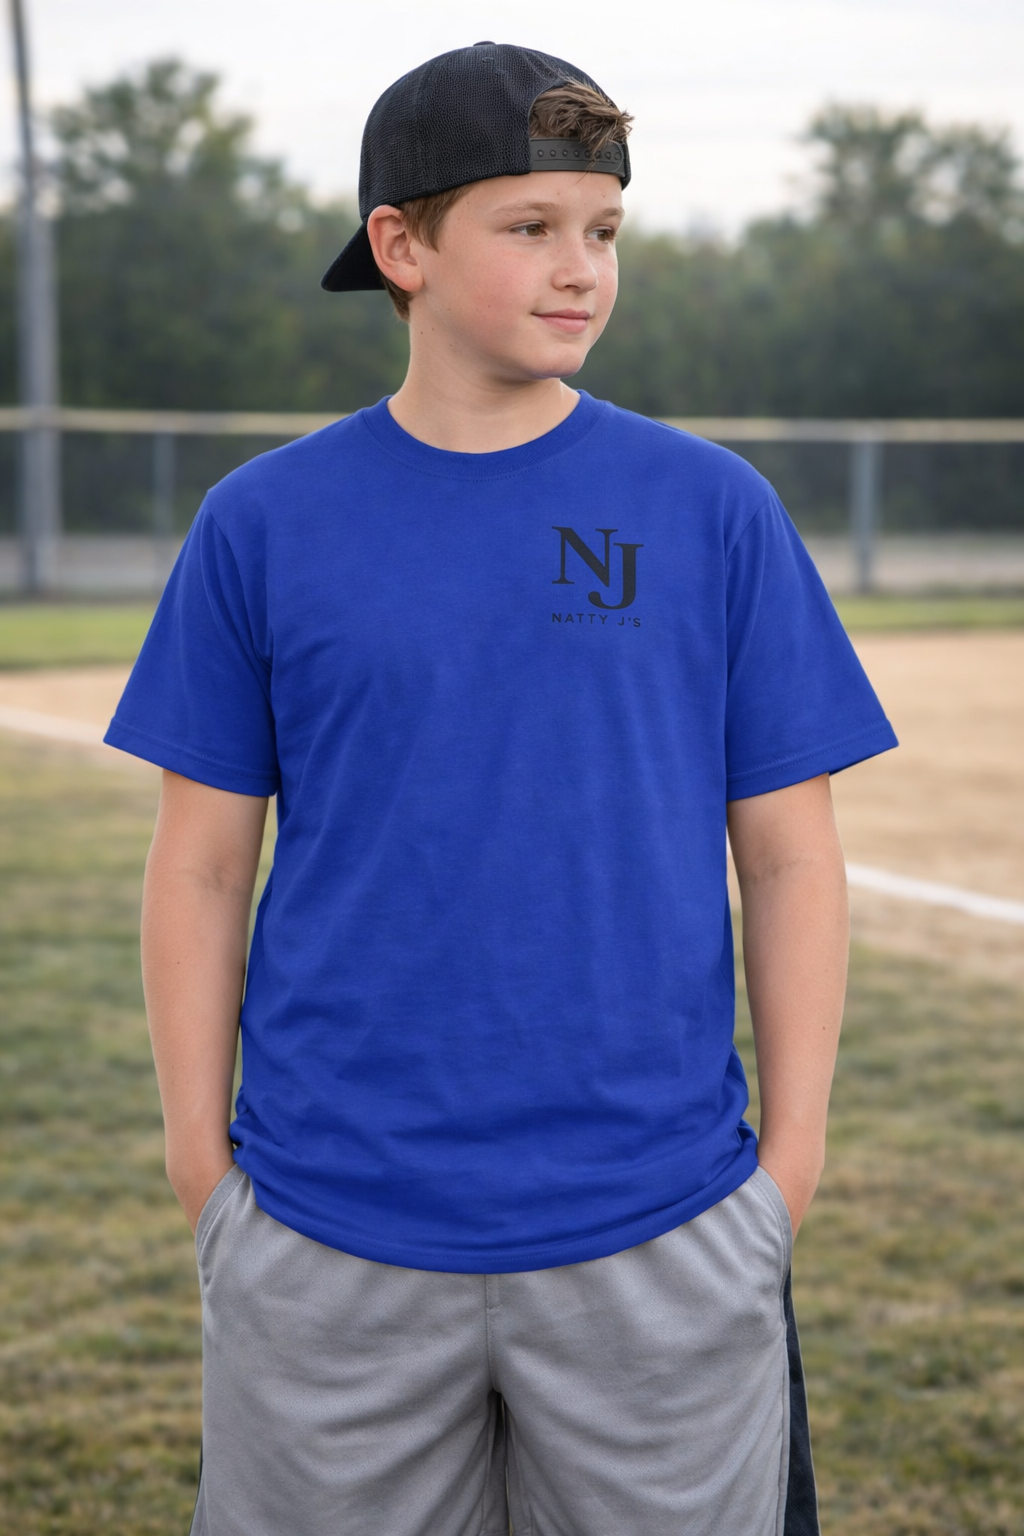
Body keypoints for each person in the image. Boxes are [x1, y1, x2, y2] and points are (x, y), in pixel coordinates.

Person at [106, 41, 897, 1536]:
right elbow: (201, 866)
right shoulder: (260, 522)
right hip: (327, 1230)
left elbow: (792, 859)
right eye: (529, 226)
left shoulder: (711, 508)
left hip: (659, 1227)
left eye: (604, 229)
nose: (580, 268)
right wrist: (203, 1172)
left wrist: (783, 1178)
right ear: (400, 248)